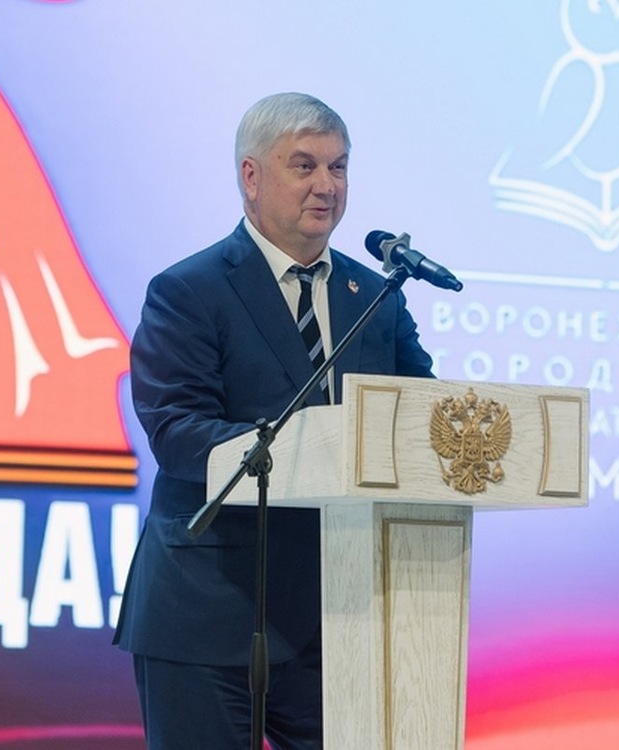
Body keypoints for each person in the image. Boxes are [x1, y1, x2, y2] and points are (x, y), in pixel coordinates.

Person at [114, 92, 435, 748]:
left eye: (339, 167)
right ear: (252, 176)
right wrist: (314, 445)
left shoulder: (375, 297)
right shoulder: (189, 290)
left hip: (339, 613)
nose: (327, 186)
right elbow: (177, 431)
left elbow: (418, 418)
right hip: (210, 610)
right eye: (305, 165)